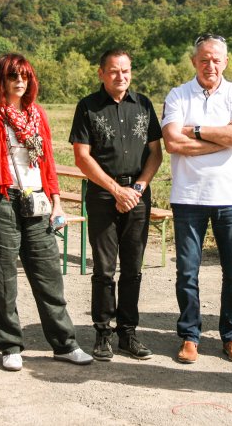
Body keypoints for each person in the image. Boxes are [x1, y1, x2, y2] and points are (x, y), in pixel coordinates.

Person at [0, 53, 92, 371]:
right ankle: (11, 345)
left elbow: (47, 162)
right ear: (1, 81)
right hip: (2, 202)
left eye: (25, 76)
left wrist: (56, 200)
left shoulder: (37, 115)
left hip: (37, 201)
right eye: (13, 76)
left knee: (48, 274)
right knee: (3, 278)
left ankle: (65, 344)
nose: (20, 81)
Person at [162, 34, 232, 364]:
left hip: (230, 197)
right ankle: (190, 336)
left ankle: (231, 335)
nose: (210, 65)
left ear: (225, 62)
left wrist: (196, 131)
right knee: (187, 272)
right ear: (194, 62)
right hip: (188, 198)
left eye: (216, 59)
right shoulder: (178, 95)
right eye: (204, 59)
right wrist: (222, 138)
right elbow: (172, 143)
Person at [69, 49, 163, 361]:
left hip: (137, 193)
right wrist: (115, 189)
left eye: (125, 71)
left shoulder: (144, 105)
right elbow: (82, 157)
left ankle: (128, 333)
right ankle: (102, 333)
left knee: (134, 268)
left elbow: (155, 153)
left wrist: (137, 188)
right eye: (113, 71)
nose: (120, 76)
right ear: (101, 73)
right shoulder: (88, 107)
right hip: (102, 194)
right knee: (105, 268)